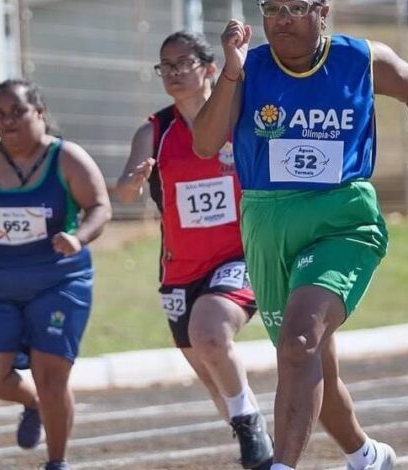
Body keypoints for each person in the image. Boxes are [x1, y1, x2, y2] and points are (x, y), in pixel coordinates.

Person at [192, 1, 408, 469]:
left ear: (323, 10)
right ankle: (367, 456)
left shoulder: (362, 59)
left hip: (342, 221)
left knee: (299, 343)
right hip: (267, 223)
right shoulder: (247, 68)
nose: (282, 19)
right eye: (271, 8)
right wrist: (230, 71)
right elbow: (206, 144)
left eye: (295, 7)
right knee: (309, 362)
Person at [0, 78, 112, 470]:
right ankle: (31, 403)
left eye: (17, 112)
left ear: (40, 113)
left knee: (51, 376)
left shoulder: (67, 158)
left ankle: (56, 461)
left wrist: (78, 238)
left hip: (59, 282)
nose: (8, 121)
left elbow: (100, 206)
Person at [116, 31, 273, 469]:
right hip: (180, 268)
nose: (173, 73)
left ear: (209, 69)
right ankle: (258, 447)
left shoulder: (238, 120)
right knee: (211, 373)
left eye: (183, 63)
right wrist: (134, 179)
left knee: (211, 331)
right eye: (165, 66)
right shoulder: (155, 130)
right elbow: (124, 190)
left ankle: (249, 423)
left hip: (238, 255)